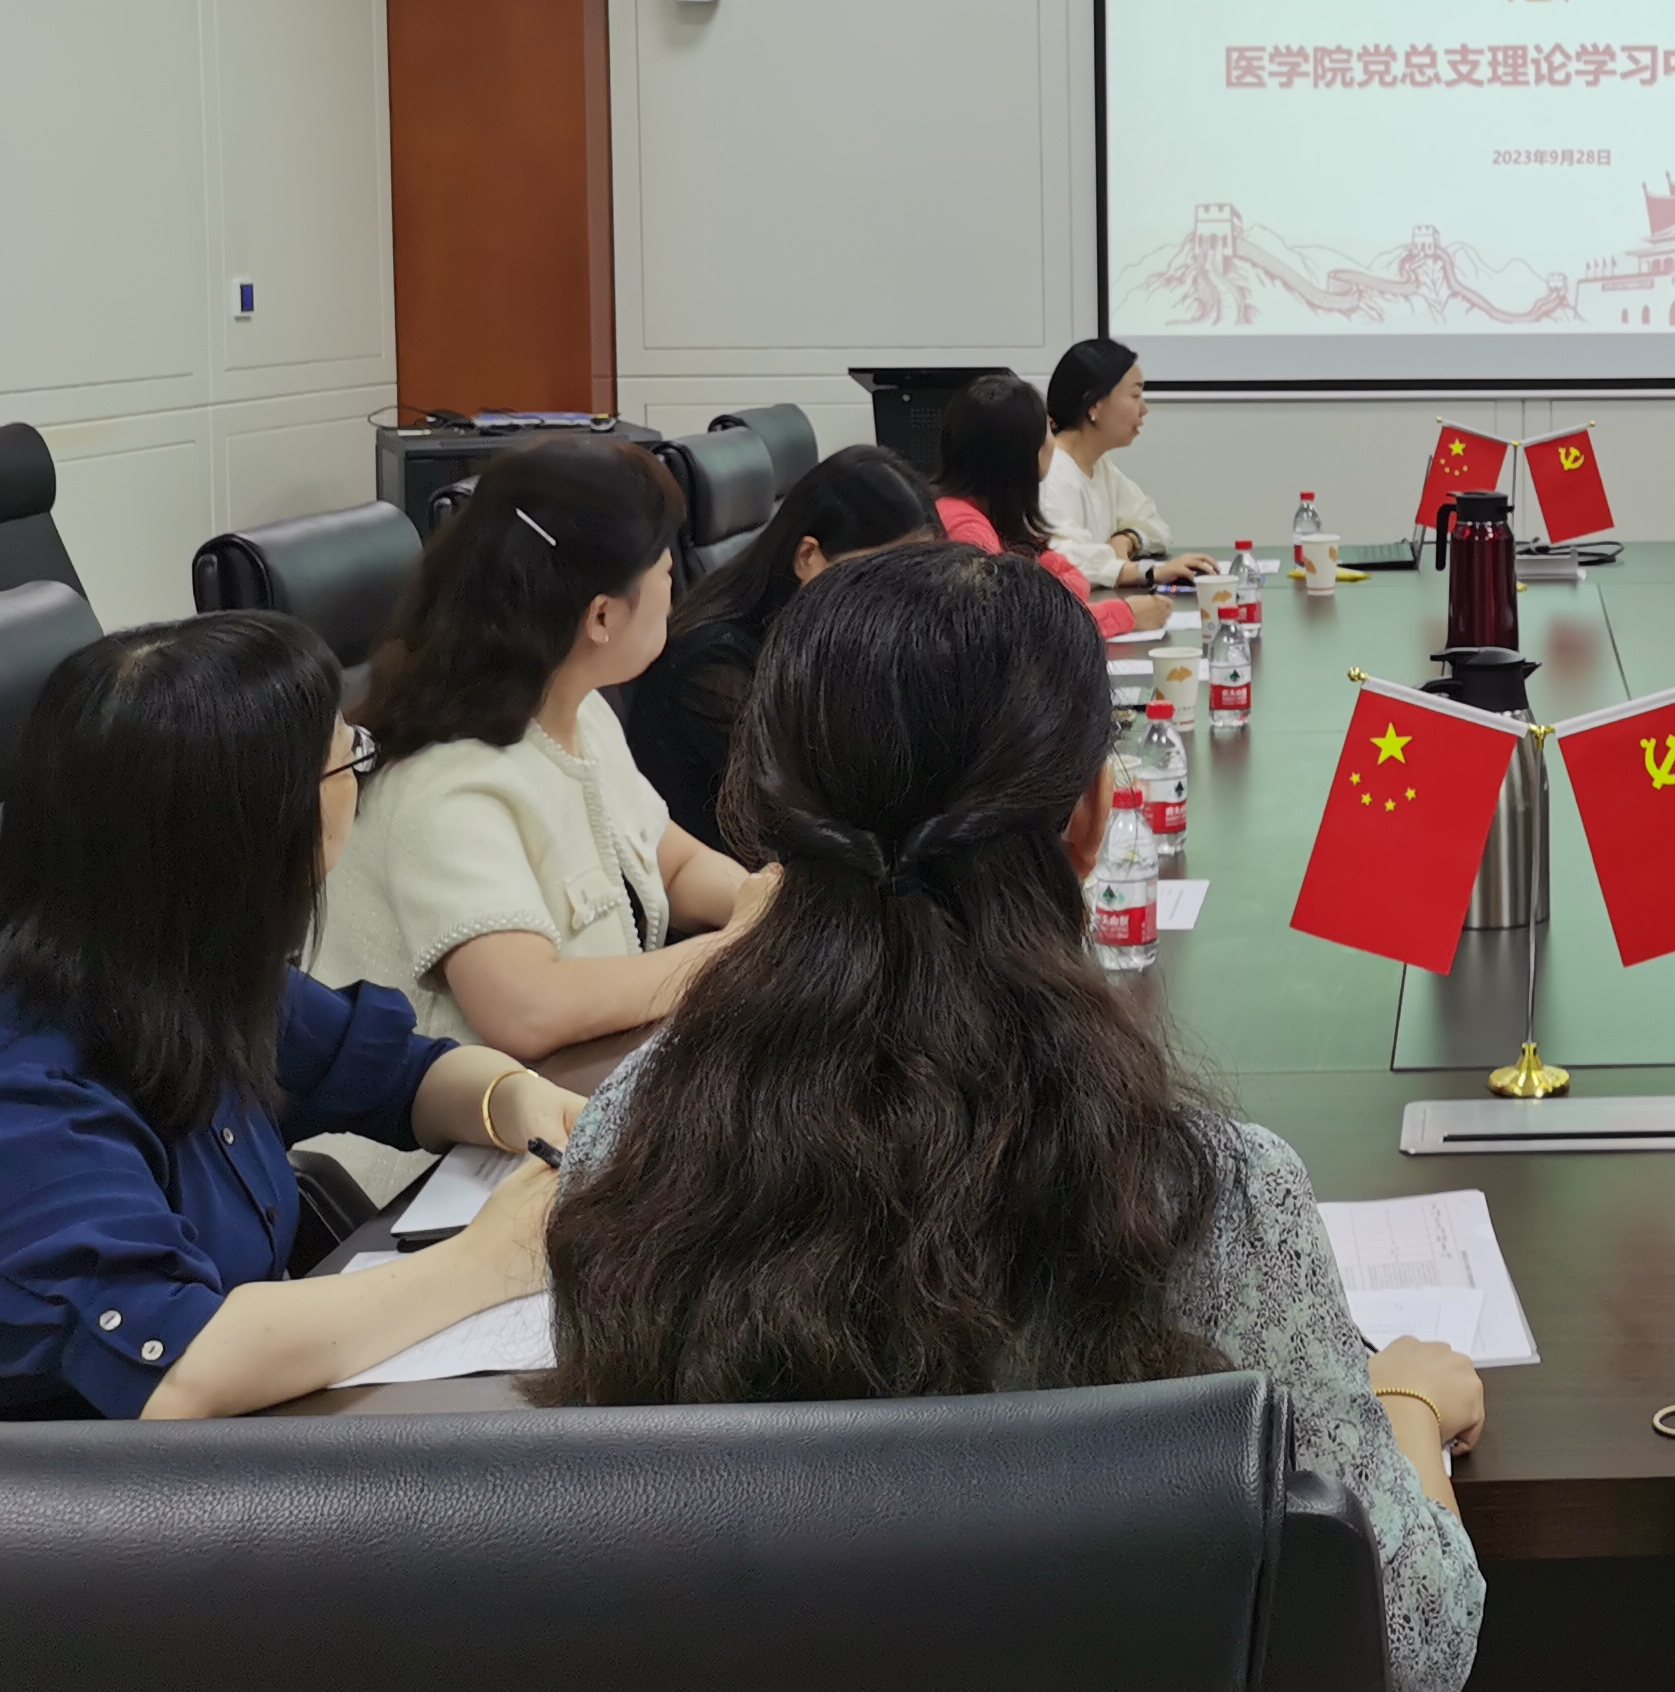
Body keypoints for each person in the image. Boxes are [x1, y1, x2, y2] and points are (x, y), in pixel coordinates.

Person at [538, 544, 1485, 1692]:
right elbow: (1408, 1641)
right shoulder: (1195, 1187)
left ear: (768, 812)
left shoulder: (629, 1134)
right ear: (1092, 819)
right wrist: (1405, 1407)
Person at [0, 613, 577, 1578]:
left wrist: (515, 1101)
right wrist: (487, 1263)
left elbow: (406, 1077)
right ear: (253, 826)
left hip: (158, 1492)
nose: (361, 779)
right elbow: (183, 1368)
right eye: (349, 761)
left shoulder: (173, 971)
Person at [310, 436, 772, 1064]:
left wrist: (760, 904)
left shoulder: (578, 711)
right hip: (446, 1122)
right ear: (602, 618)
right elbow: (527, 1010)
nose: (676, 581)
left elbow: (671, 864)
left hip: (571, 1081)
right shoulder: (448, 782)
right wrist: (731, 953)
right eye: (665, 570)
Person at [620, 444, 940, 843]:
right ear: (808, 557)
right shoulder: (713, 664)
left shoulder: (836, 636)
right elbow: (811, 811)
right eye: (878, 574)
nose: (901, 596)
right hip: (737, 868)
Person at [936, 370, 1164, 639]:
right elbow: (1015, 628)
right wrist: (1123, 615)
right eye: (1048, 429)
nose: (1053, 442)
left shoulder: (995, 515)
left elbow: (1063, 584)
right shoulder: (964, 528)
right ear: (1023, 452)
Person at [1040, 337, 1210, 591]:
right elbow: (1062, 560)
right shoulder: (1050, 470)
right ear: (1094, 404)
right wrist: (1149, 572)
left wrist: (1127, 539)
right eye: (1135, 395)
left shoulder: (1100, 465)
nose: (1144, 409)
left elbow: (1155, 525)